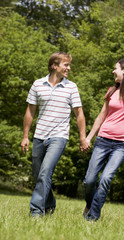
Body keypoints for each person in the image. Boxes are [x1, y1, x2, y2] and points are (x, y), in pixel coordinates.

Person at [21, 52, 90, 217]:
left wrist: (82, 137)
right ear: (54, 66)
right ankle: (50, 203)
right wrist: (25, 136)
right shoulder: (37, 84)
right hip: (39, 136)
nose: (69, 68)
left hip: (59, 136)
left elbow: (79, 114)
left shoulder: (71, 87)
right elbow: (30, 112)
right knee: (38, 174)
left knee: (45, 172)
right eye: (65, 65)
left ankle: (36, 212)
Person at [83, 59, 124, 221]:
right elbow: (101, 115)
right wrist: (88, 138)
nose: (113, 71)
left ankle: (92, 218)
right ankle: (90, 205)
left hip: (122, 144)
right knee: (89, 180)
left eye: (116, 69)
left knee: (105, 179)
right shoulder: (111, 91)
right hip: (102, 140)